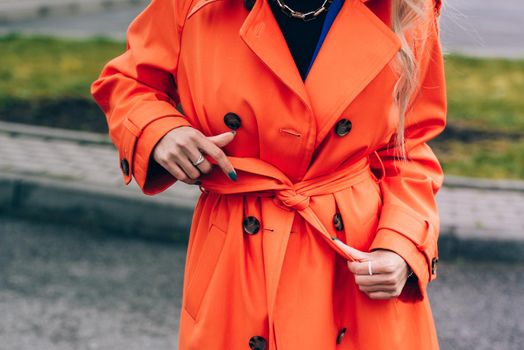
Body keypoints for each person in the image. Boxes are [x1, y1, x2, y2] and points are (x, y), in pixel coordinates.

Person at [91, 0, 446, 348]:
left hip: (357, 261)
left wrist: (400, 245)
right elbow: (129, 81)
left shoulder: (406, 7)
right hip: (237, 256)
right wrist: (159, 130)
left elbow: (410, 144)